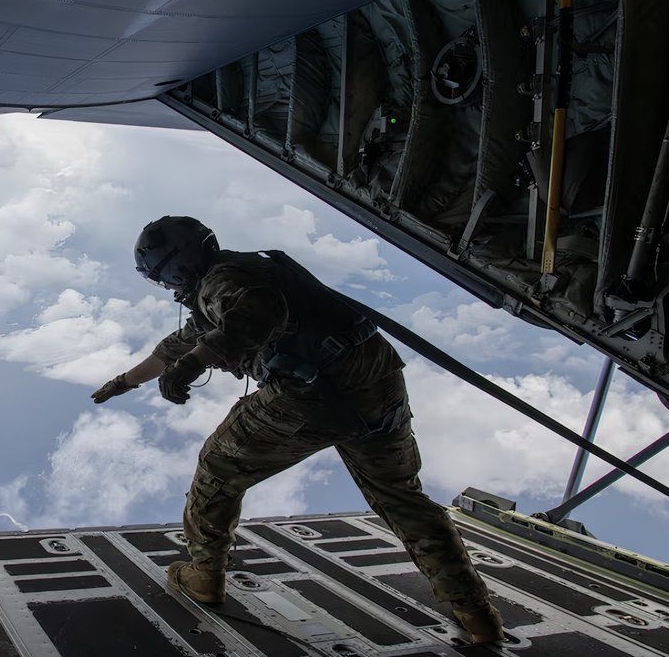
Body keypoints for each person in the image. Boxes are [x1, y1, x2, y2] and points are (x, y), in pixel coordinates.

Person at [90, 215, 504, 644]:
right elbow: (174, 347)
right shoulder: (249, 272)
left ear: (172, 269)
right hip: (375, 382)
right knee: (404, 499)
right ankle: (475, 612)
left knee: (218, 468)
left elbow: (256, 313)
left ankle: (204, 576)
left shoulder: (221, 282)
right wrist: (125, 381)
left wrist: (192, 365)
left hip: (308, 392)